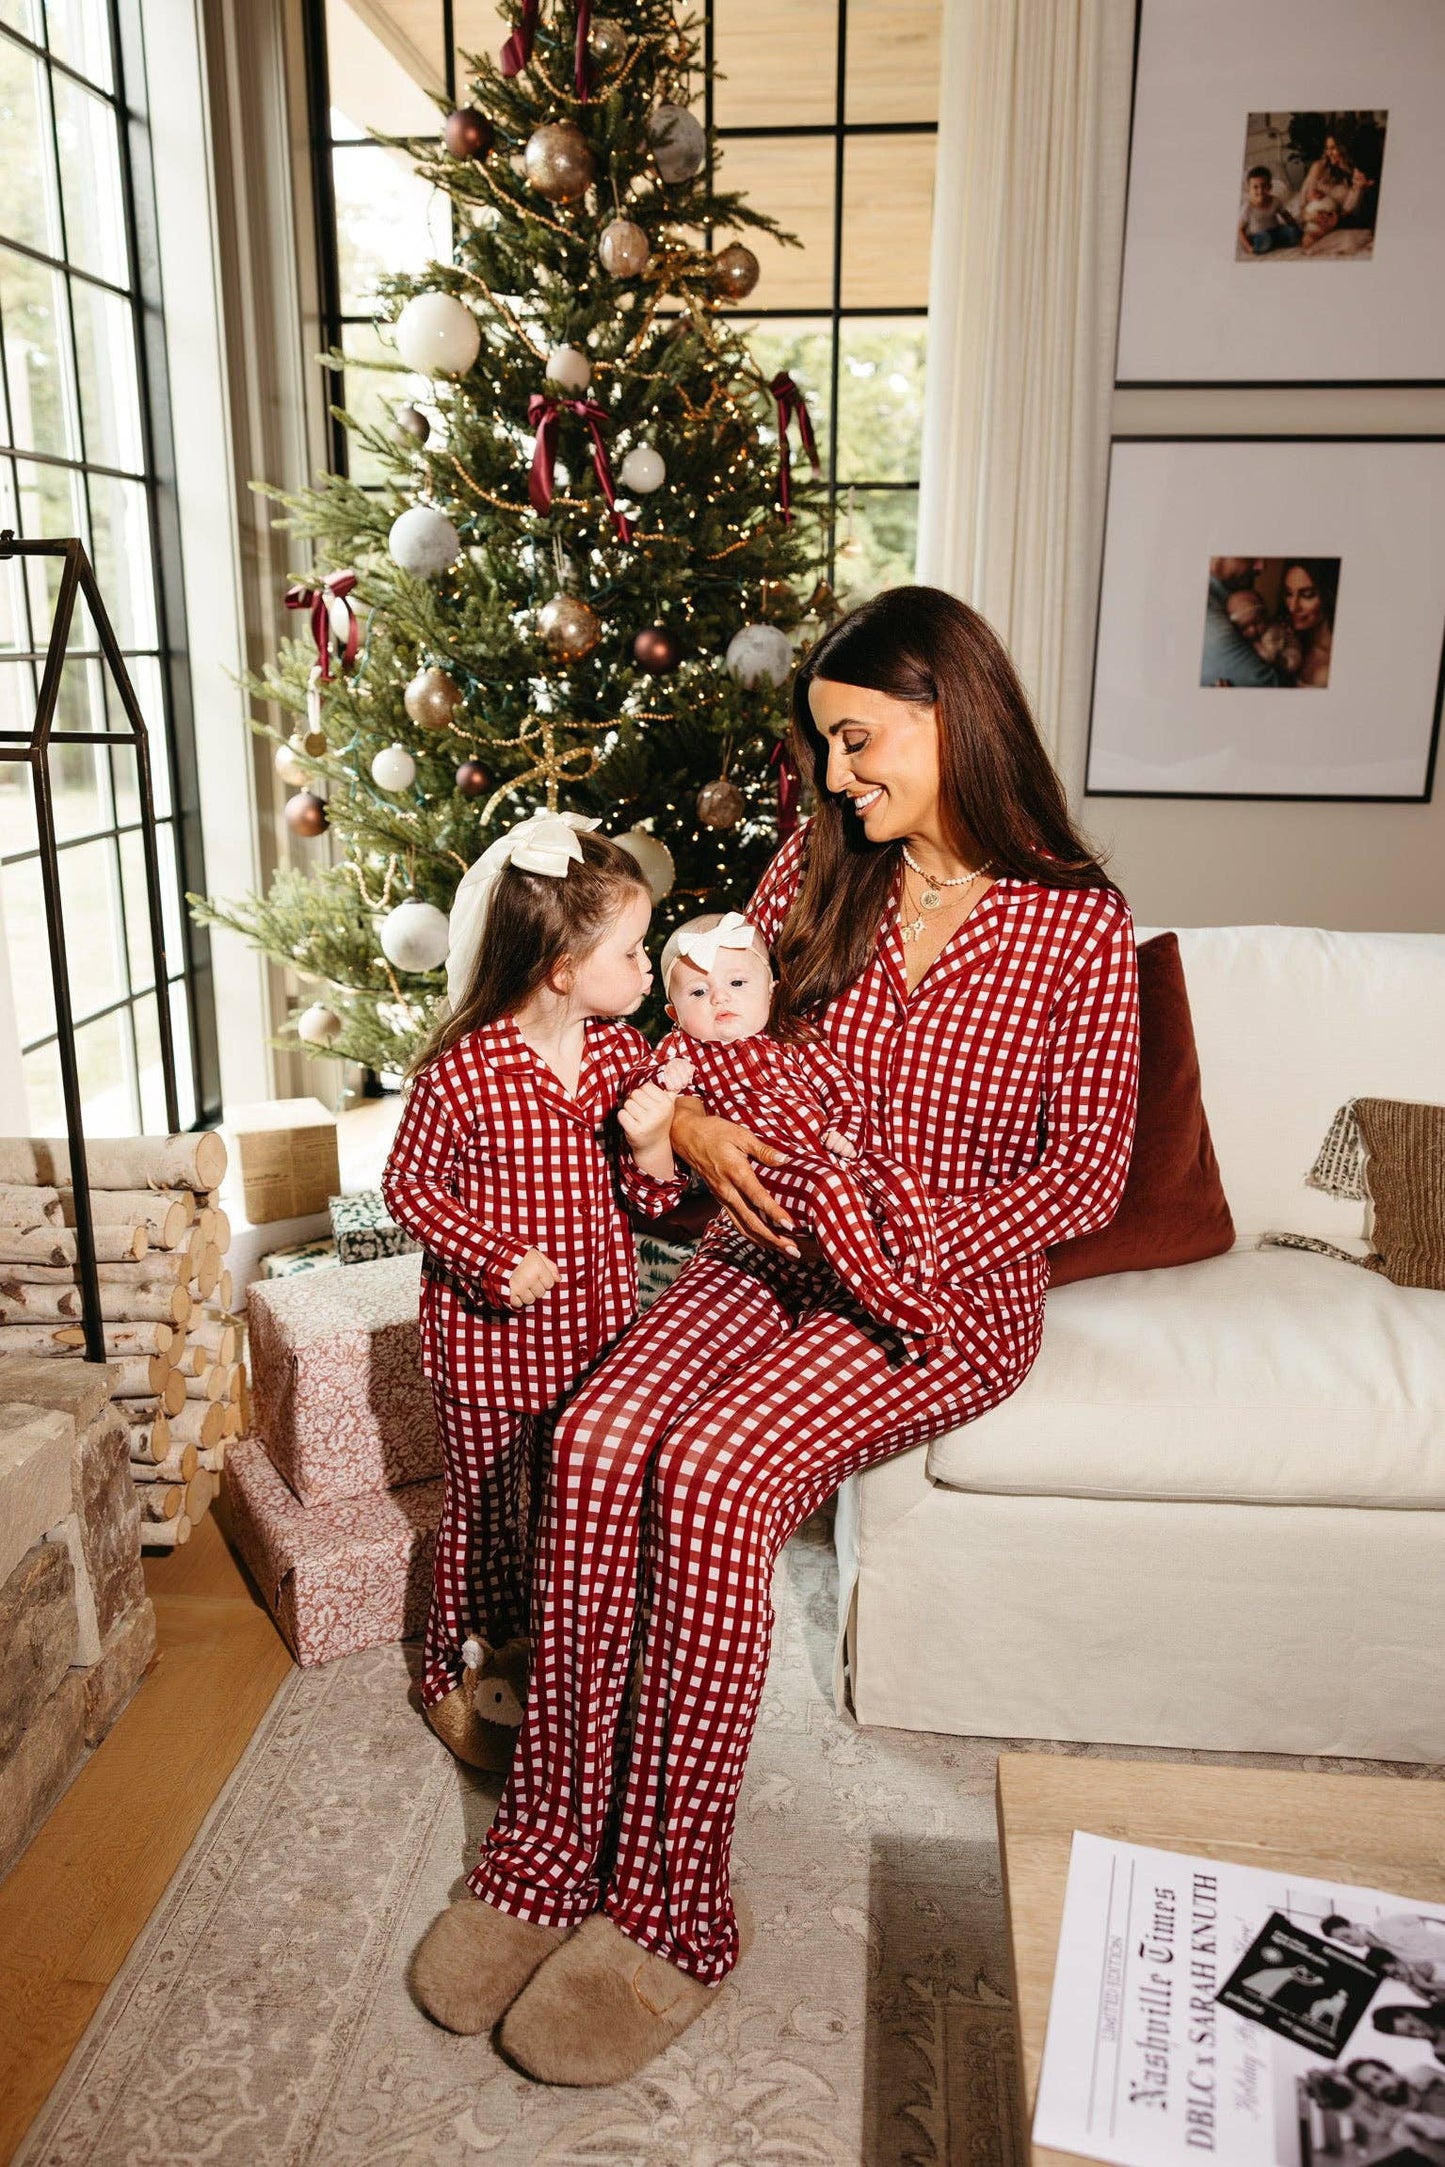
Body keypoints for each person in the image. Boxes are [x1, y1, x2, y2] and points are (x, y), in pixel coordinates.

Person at [409, 585, 1141, 2088]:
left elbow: (1083, 1175)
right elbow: (701, 1017)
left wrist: (906, 1234)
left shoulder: (1078, 924)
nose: (842, 774)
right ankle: (548, 1842)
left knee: (719, 1475)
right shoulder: (827, 857)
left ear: (951, 713)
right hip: (767, 1232)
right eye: (827, 748)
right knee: (606, 1433)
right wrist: (681, 1114)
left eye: (860, 740)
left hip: (935, 1294)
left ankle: (676, 1907)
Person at [380, 811, 686, 1771]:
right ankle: (457, 1675)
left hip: (596, 1336)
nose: (648, 971)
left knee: (571, 1510)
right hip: (484, 1349)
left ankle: (560, 1674)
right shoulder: (463, 1071)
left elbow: (647, 1197)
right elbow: (407, 1186)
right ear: (562, 966)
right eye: (632, 951)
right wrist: (489, 1252)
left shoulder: (617, 1058)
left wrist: (649, 1145)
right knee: (485, 1513)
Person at [642, 906, 951, 1355]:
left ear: (771, 991)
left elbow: (838, 1086)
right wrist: (664, 1082)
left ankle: (918, 1283)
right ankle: (879, 1292)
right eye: (698, 991)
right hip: (770, 1173)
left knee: (899, 1178)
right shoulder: (683, 1050)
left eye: (737, 983)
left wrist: (845, 1125)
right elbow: (647, 1087)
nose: (720, 999)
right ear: (673, 1012)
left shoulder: (791, 1035)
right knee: (826, 1185)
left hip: (832, 1158)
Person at [1201, 557, 1281, 687]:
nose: (1261, 567)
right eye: (1253, 555)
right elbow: (1265, 683)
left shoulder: (1232, 595)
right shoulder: (1207, 613)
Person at [1282, 559, 1337, 688]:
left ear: (1329, 596)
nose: (1293, 607)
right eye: (1288, 593)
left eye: (1307, 595)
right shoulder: (1288, 639)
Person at [1238, 164, 1300, 255]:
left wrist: (1295, 228)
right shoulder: (1247, 208)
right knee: (1264, 240)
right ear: (1249, 190)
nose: (1260, 190)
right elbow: (1240, 230)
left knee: (1293, 233)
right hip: (1258, 235)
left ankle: (1275, 243)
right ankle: (1270, 244)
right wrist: (1248, 248)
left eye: (1264, 186)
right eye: (1255, 187)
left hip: (1276, 231)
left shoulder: (1275, 201)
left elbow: (1286, 216)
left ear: (1270, 186)